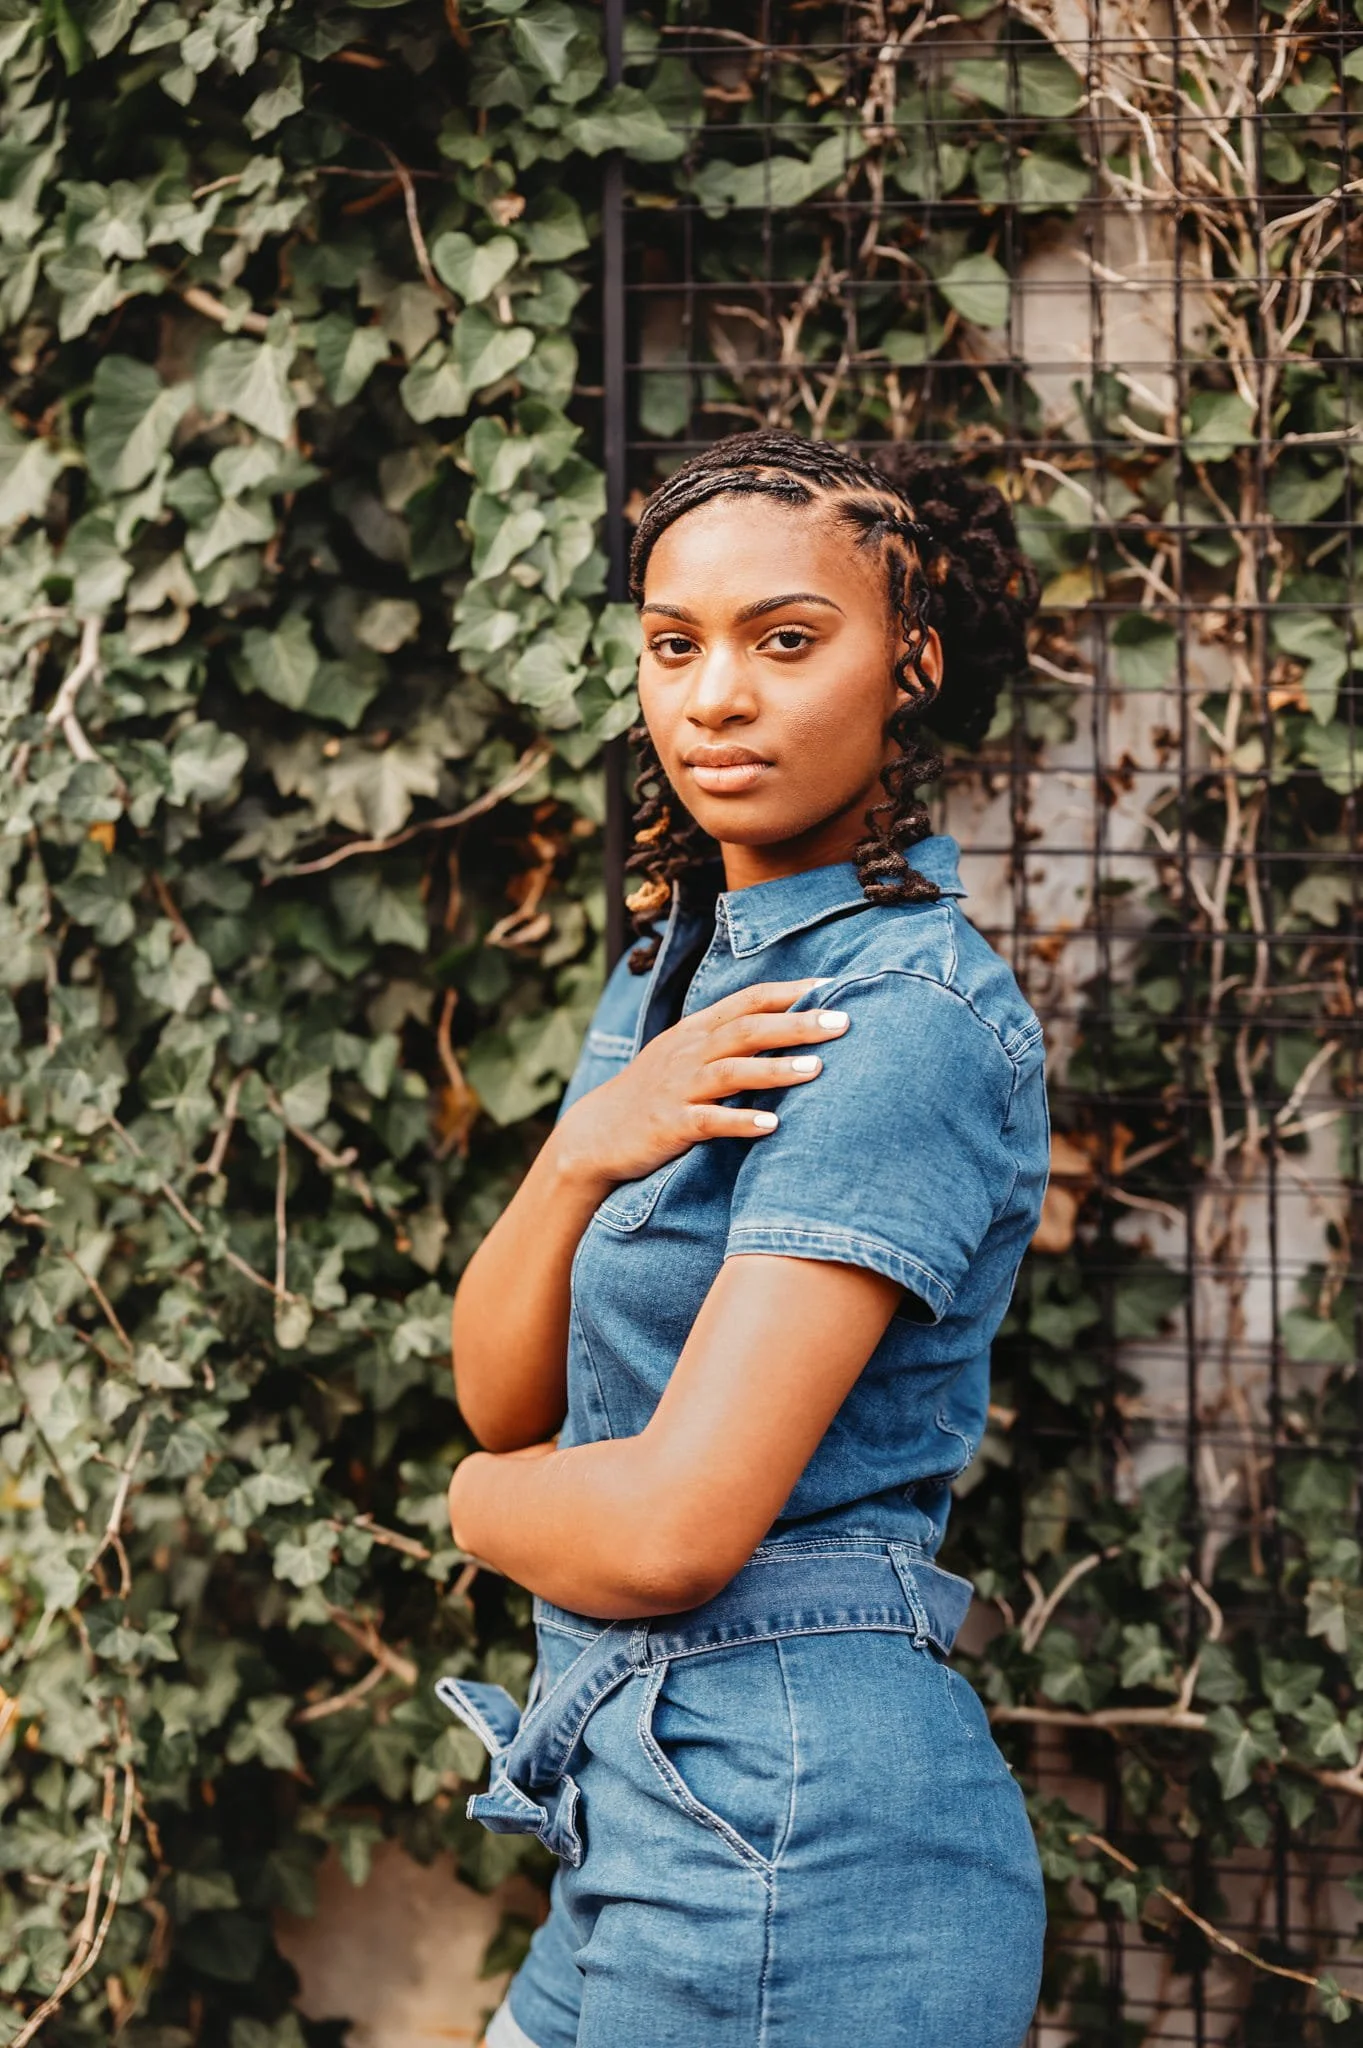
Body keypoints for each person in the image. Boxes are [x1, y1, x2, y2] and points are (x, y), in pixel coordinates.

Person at [440, 431, 1051, 2048]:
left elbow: (663, 1532)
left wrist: (469, 1509)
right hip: (629, 1808)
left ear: (905, 663)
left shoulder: (902, 1016)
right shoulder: (671, 974)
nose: (714, 696)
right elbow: (500, 1392)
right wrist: (582, 1150)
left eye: (786, 640)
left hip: (797, 1833)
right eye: (673, 644)